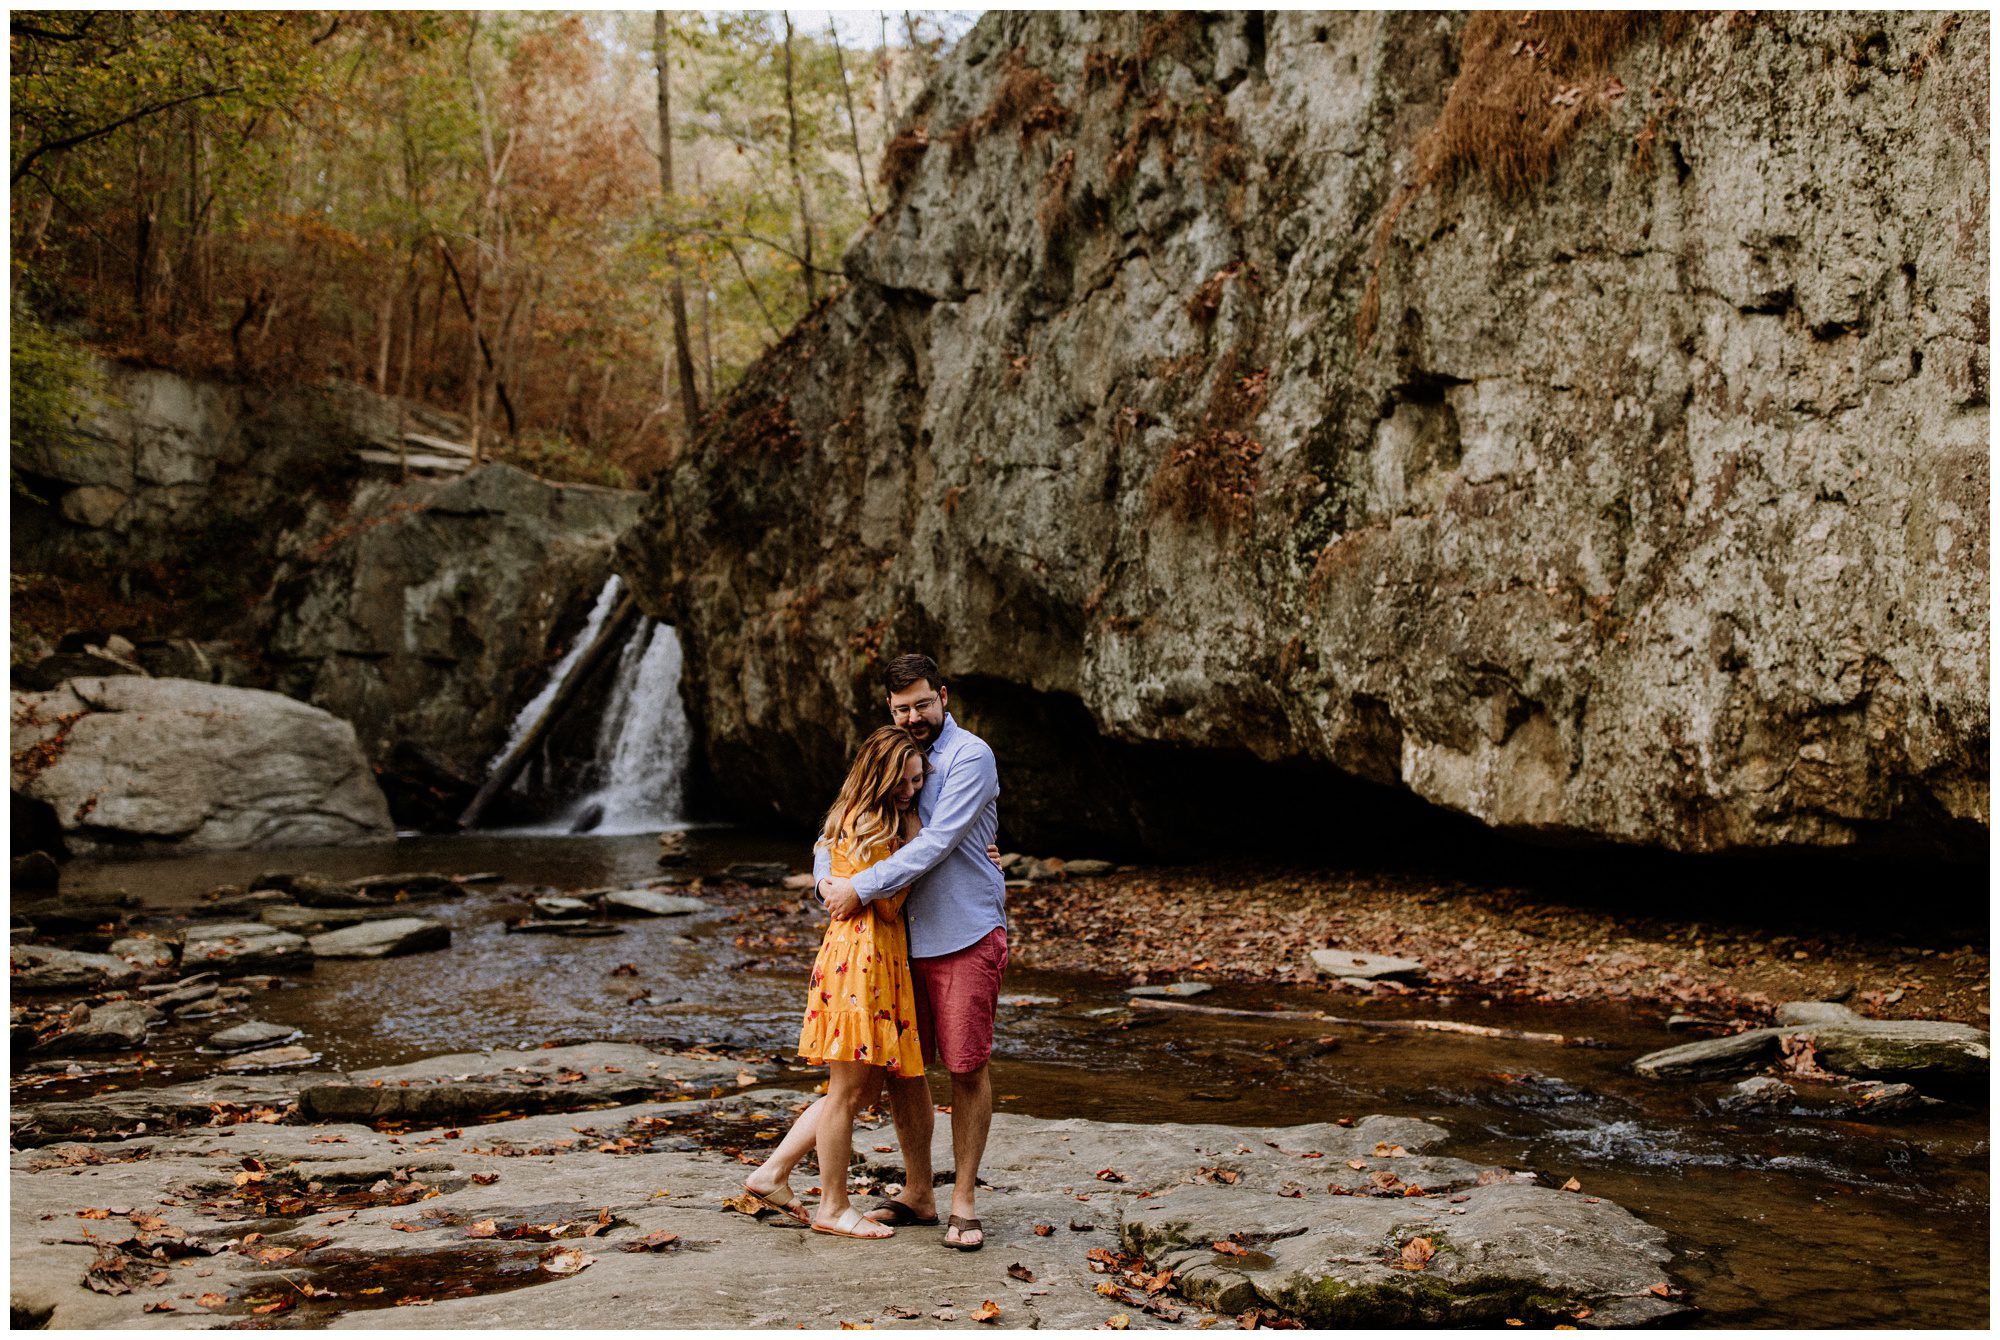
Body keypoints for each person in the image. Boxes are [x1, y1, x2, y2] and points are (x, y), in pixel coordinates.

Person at [820, 653, 1006, 1252]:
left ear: (943, 697)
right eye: (902, 708)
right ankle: (919, 1191)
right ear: (889, 708)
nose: (914, 716)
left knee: (966, 1067)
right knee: (906, 1069)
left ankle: (963, 1201)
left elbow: (937, 842)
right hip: (897, 942)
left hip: (962, 932)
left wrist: (858, 888)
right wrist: (826, 882)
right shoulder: (890, 755)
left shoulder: (971, 756)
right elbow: (835, 826)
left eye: (923, 704)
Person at [743, 725, 928, 1239]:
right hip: (864, 961)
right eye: (902, 781)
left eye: (917, 780)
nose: (910, 791)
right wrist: (915, 840)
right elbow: (886, 904)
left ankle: (772, 1174)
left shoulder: (850, 815)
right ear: (879, 777)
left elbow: (830, 859)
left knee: (858, 1089)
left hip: (856, 957)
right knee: (847, 1091)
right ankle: (833, 1206)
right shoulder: (878, 825)